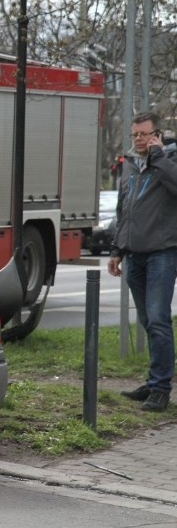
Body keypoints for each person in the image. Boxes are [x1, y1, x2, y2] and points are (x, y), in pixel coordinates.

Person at [108, 111, 177, 412]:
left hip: (162, 253)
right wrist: (116, 249)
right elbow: (124, 210)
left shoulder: (169, 160)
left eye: (144, 134)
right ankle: (153, 381)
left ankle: (162, 389)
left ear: (157, 135)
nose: (138, 139)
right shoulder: (130, 166)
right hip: (134, 255)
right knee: (149, 322)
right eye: (134, 134)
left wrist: (159, 156)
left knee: (159, 320)